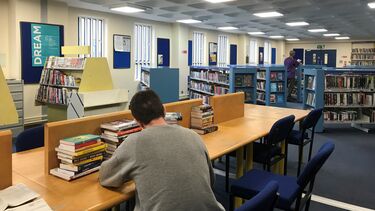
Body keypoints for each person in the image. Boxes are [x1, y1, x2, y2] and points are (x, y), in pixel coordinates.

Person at [99, 90, 224, 211]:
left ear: (137, 121)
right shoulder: (193, 135)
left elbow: (106, 177)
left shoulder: (135, 142)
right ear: (164, 110)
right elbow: (211, 180)